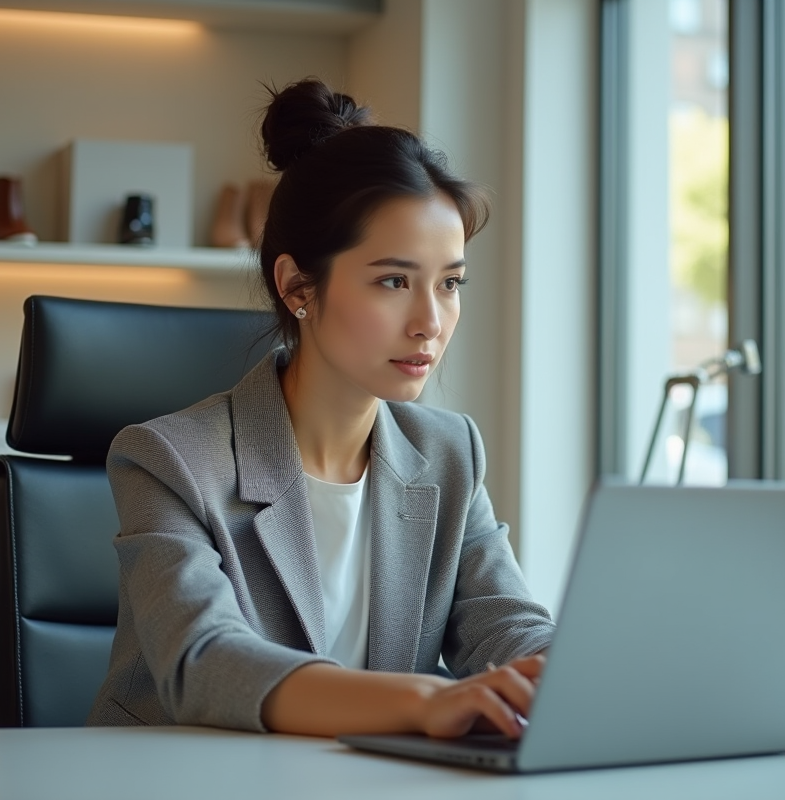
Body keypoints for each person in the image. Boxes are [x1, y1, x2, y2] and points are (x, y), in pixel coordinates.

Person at [87, 78, 555, 739]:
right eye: (394, 281)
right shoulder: (170, 459)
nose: (431, 321)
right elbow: (204, 661)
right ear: (297, 284)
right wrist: (424, 702)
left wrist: (575, 675)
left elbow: (507, 625)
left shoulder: (449, 453)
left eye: (449, 284)